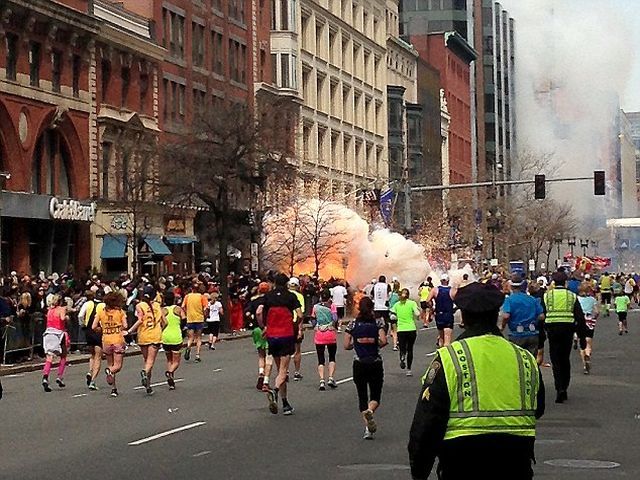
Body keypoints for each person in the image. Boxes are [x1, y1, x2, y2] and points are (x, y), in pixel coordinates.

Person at [408, 282, 545, 479]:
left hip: (462, 462)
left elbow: (426, 423)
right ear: (496, 313)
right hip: (515, 462)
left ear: (463, 316)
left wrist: (419, 472)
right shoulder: (524, 358)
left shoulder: (449, 358)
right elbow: (538, 408)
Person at [257, 273, 303, 415]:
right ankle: (275, 390)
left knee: (279, 369)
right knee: (283, 371)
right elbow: (300, 315)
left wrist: (263, 326)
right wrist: (295, 324)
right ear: (287, 284)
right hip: (286, 335)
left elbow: (259, 311)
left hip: (272, 335)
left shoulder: (268, 296)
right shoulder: (291, 296)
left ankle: (285, 403)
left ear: (275, 283)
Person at [344, 296, 387, 439]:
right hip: (375, 362)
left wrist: (355, 344)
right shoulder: (378, 323)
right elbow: (384, 341)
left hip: (359, 363)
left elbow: (346, 345)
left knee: (362, 396)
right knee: (375, 396)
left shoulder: (353, 324)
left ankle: (368, 429)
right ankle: (370, 410)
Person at [542, 270, 586, 403]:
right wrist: (581, 337)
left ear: (554, 282)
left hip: (552, 329)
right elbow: (580, 317)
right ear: (565, 282)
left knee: (555, 360)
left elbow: (542, 313)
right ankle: (564, 387)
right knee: (565, 359)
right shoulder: (572, 296)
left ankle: (558, 387)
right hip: (567, 329)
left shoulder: (547, 296)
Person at [129, 286, 166, 395]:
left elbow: (140, 320)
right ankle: (145, 373)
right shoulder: (157, 306)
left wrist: (130, 331)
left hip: (143, 335)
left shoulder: (139, 305)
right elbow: (165, 322)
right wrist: (160, 329)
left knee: (146, 361)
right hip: (155, 336)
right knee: (150, 362)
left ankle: (148, 386)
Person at [92, 292, 128, 397]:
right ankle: (109, 372)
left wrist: (102, 329)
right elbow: (125, 325)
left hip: (106, 340)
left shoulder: (101, 312)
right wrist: (119, 327)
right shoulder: (120, 312)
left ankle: (113, 388)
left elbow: (94, 326)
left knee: (110, 363)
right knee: (117, 366)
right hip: (117, 339)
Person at [501, 273, 544, 356]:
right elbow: (541, 316)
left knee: (519, 361)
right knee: (532, 360)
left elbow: (506, 316)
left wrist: (502, 327)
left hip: (516, 335)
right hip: (532, 333)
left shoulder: (509, 300)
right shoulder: (532, 299)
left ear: (511, 287)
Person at [41, 295, 70, 392]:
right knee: (63, 355)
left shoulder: (49, 310)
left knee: (49, 357)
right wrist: (66, 317)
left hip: (48, 332)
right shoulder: (61, 309)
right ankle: (59, 376)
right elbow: (62, 318)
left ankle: (45, 376)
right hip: (58, 333)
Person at [311, 290, 339, 390]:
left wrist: (316, 326)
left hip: (319, 334)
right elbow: (335, 318)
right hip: (330, 334)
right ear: (329, 297)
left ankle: (322, 380)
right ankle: (331, 378)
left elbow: (313, 318)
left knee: (321, 359)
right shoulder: (332, 306)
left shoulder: (315, 307)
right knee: (332, 357)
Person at [246, 282, 272, 391]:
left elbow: (247, 313)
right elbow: (259, 312)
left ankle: (261, 372)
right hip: (268, 329)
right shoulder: (270, 300)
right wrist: (263, 325)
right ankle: (266, 380)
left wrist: (252, 320)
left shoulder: (253, 300)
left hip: (256, 329)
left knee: (261, 355)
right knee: (269, 355)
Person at [390, 288, 420, 376]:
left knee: (402, 348)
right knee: (410, 349)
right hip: (411, 328)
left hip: (401, 329)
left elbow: (392, 315)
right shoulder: (412, 303)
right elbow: (417, 313)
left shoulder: (396, 305)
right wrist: (417, 314)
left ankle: (402, 357)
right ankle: (409, 370)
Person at [78, 291, 104, 390]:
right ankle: (93, 380)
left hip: (88, 331)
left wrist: (83, 325)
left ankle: (90, 371)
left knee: (92, 354)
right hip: (98, 331)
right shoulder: (103, 306)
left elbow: (80, 315)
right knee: (98, 356)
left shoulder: (88, 304)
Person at [162, 291, 185, 390]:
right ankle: (170, 372)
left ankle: (171, 381)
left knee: (169, 359)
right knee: (176, 361)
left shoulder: (162, 310)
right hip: (176, 336)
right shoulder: (178, 309)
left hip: (165, 337)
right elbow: (184, 319)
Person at [426, 274, 455, 347]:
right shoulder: (452, 290)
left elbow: (427, 300)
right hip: (448, 314)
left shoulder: (435, 290)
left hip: (439, 314)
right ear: (448, 281)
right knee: (447, 337)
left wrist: (431, 308)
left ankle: (440, 352)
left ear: (440, 281)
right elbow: (459, 301)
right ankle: (446, 354)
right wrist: (454, 308)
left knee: (441, 337)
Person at [182, 284, 208, 362]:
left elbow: (183, 306)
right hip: (199, 318)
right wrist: (205, 315)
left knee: (190, 337)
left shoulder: (187, 296)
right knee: (198, 337)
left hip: (190, 319)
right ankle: (197, 355)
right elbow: (206, 308)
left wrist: (187, 312)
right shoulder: (202, 297)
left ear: (192, 289)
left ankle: (188, 346)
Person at [577, 285, 599, 374]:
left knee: (582, 342)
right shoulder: (592, 299)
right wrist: (594, 318)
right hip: (589, 320)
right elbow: (597, 311)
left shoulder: (577, 299)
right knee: (588, 341)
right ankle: (588, 354)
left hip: (580, 320)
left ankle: (584, 364)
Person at [288, 277, 306, 381]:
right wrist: (300, 329)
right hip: (295, 324)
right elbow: (301, 314)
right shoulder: (299, 296)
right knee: (297, 350)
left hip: (285, 325)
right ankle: (296, 372)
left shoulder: (284, 295)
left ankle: (285, 371)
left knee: (285, 350)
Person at [373, 275, 394, 346]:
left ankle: (377, 336)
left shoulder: (375, 286)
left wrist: (374, 301)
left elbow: (371, 294)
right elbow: (390, 294)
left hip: (376, 307)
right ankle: (384, 336)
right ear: (385, 280)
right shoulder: (387, 285)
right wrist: (388, 300)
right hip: (385, 307)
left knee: (377, 322)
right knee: (386, 322)